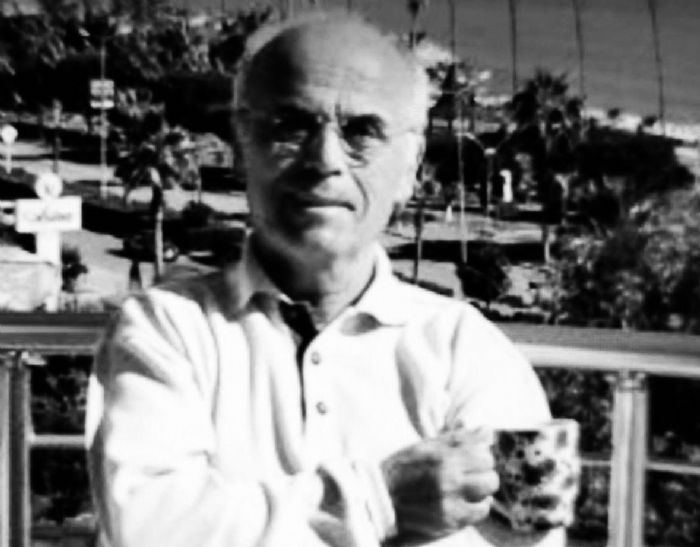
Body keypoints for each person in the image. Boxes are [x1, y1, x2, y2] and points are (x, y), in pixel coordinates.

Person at [87, 13, 569, 547]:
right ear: (242, 146)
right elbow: (151, 528)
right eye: (292, 125)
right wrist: (379, 498)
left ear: (410, 168)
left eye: (362, 131)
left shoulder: (464, 348)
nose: (325, 160)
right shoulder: (167, 328)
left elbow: (531, 535)